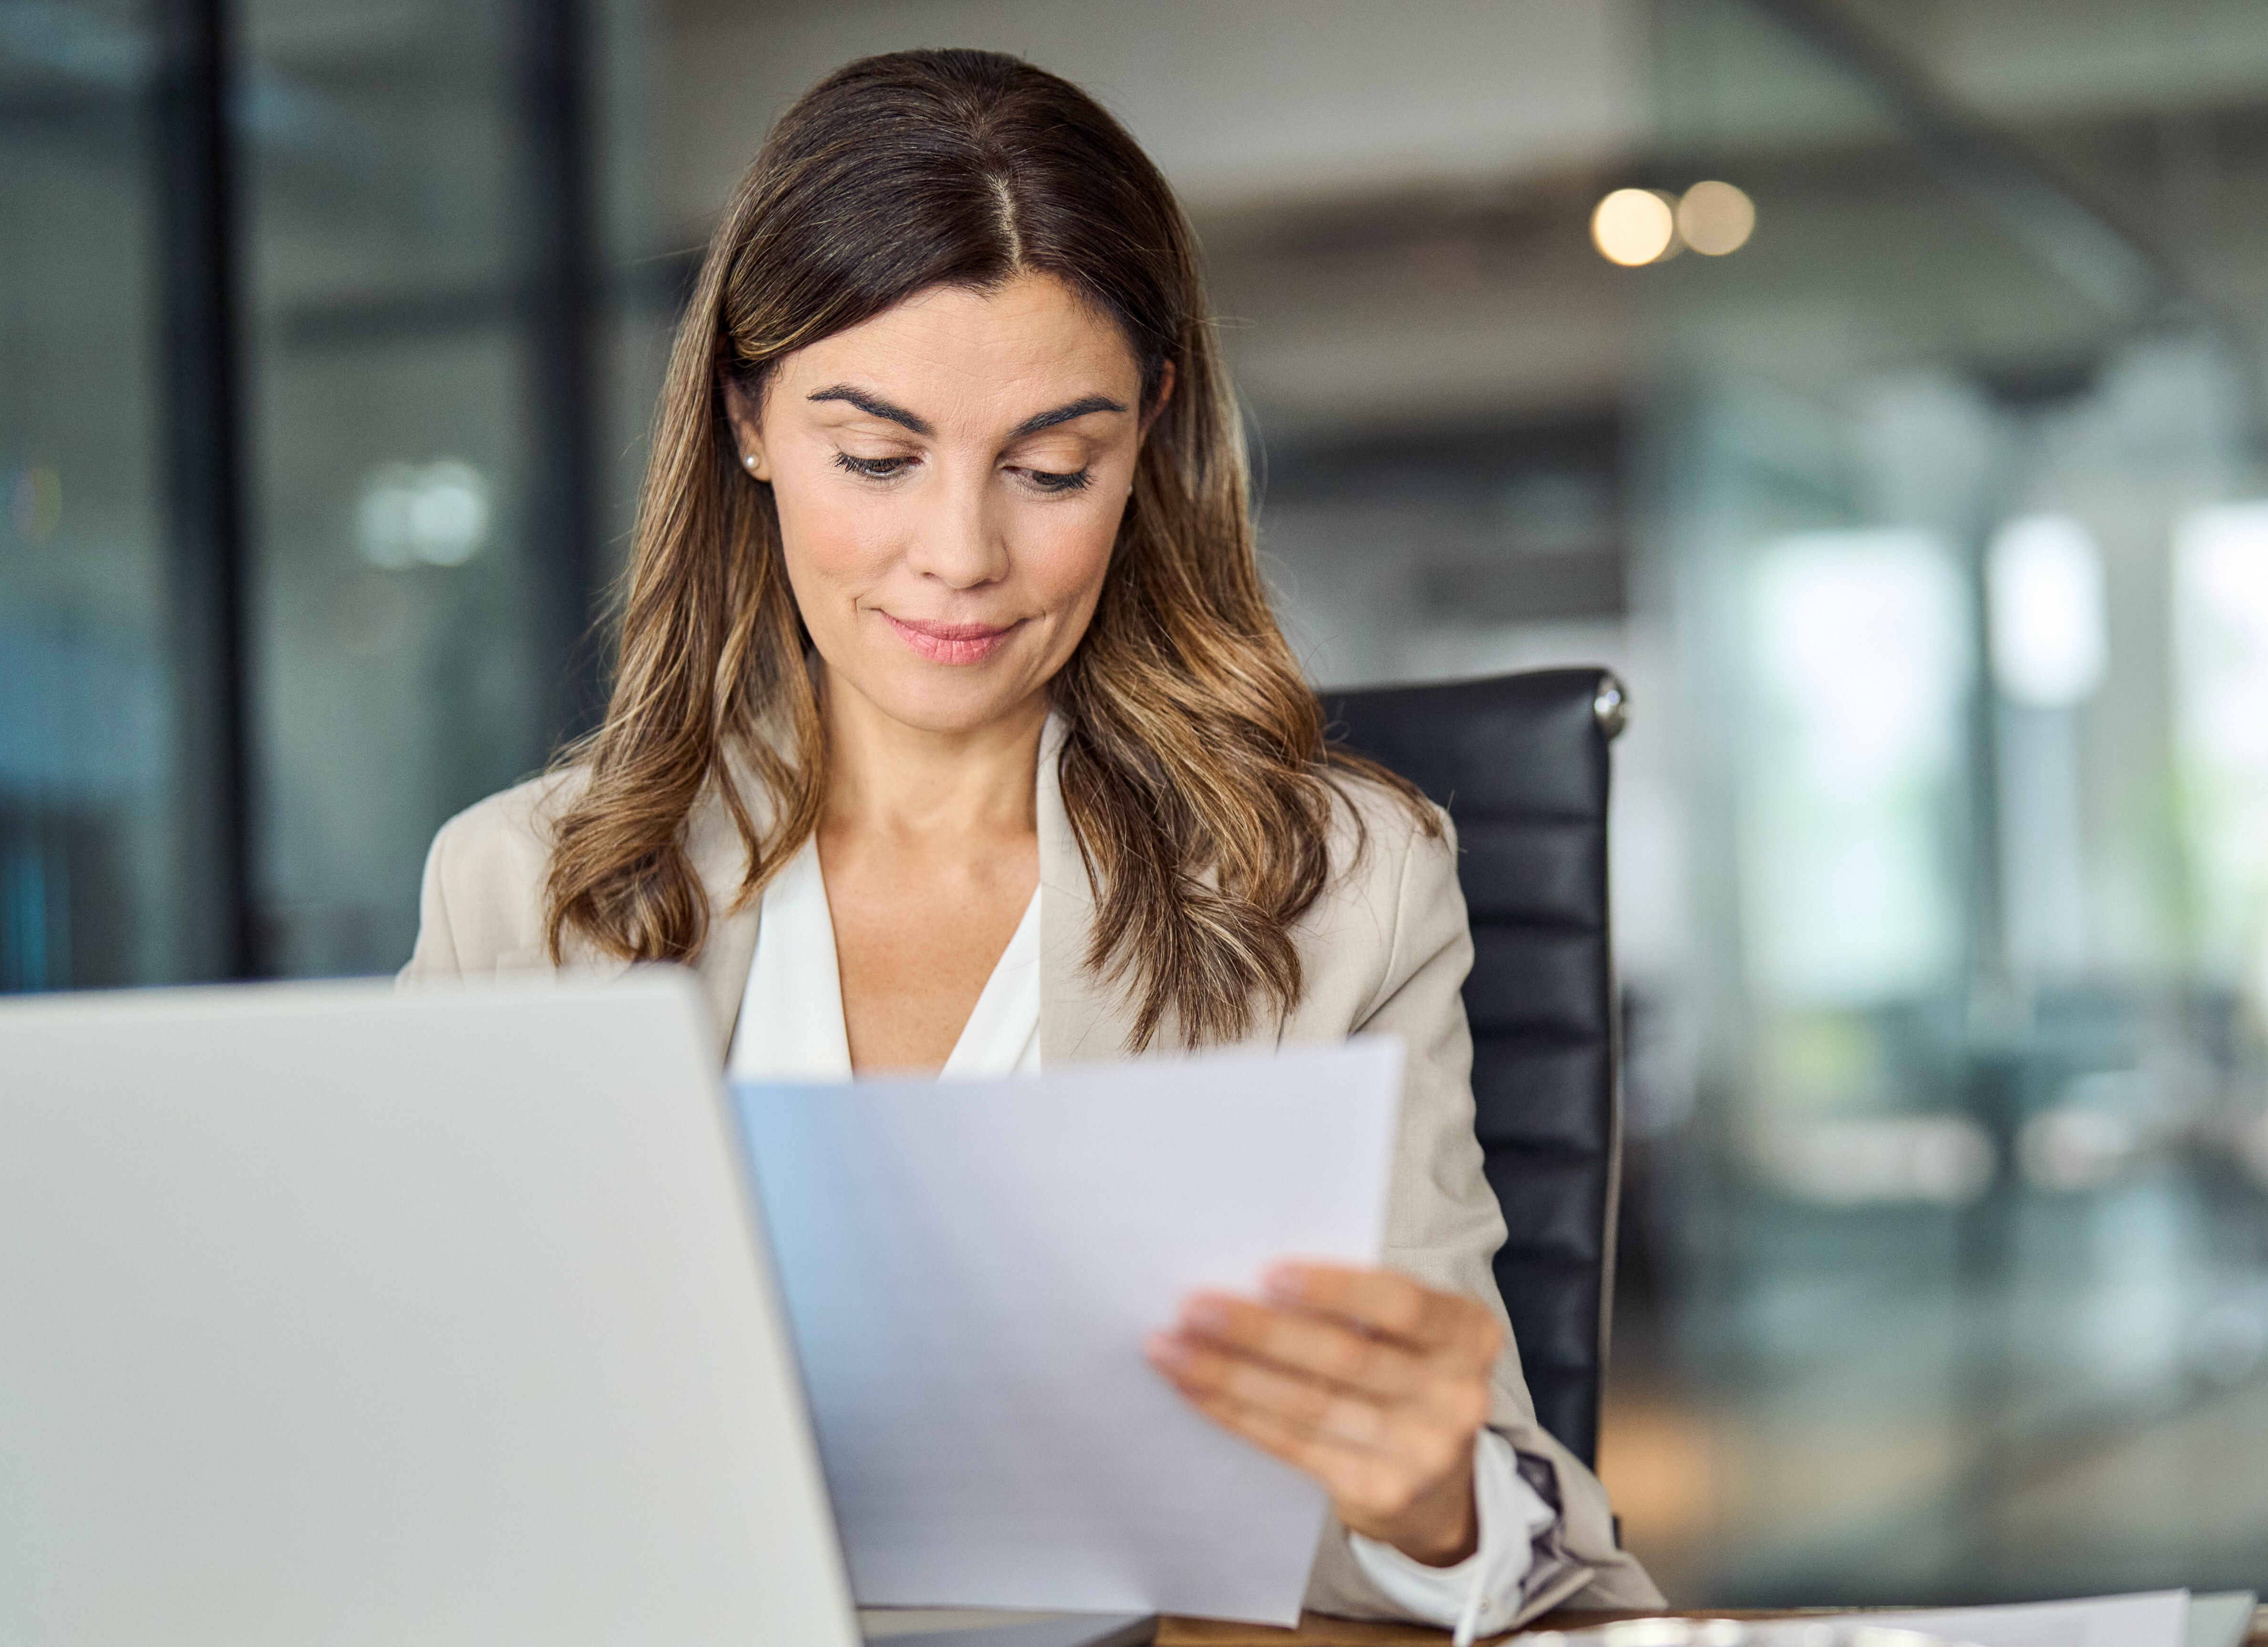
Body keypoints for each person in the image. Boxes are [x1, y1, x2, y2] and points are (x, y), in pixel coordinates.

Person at [397, 48, 1658, 1630]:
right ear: (745, 419)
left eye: (1052, 468)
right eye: (876, 457)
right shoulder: (527, 893)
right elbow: (422, 1469)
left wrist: (1428, 1497)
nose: (960, 556)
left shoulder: (1336, 888)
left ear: (1149, 440)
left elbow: (1542, 1565)